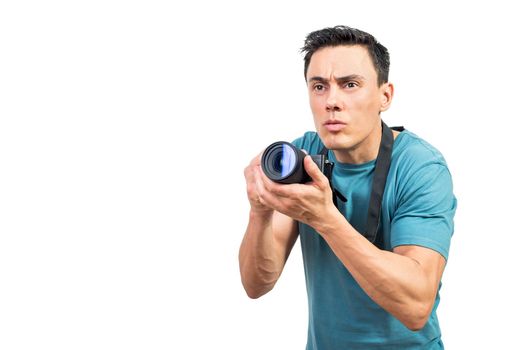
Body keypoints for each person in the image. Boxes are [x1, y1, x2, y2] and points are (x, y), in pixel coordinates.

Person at [238, 25, 457, 349]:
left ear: (385, 96)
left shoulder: (420, 167)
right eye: (319, 86)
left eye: (350, 84)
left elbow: (416, 307)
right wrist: (260, 211)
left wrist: (326, 219)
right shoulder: (304, 157)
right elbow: (257, 284)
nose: (332, 102)